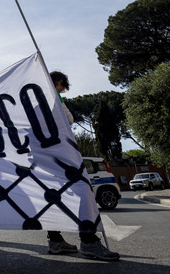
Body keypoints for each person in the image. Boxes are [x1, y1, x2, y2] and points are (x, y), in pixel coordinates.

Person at [47, 71, 119, 261]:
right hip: (58, 154)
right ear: (56, 82)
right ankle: (88, 241)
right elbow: (68, 120)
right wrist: (60, 100)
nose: (63, 89)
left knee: (53, 196)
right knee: (83, 190)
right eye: (62, 85)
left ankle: (55, 240)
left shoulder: (40, 100)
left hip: (49, 156)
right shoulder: (51, 99)